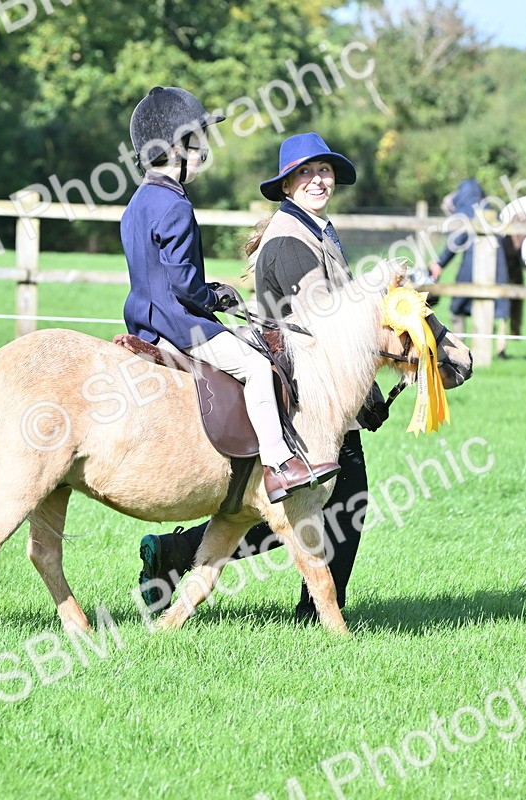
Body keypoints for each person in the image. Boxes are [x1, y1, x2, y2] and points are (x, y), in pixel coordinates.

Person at [137, 131, 384, 622]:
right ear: (287, 185)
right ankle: (314, 613)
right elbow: (325, 326)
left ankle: (177, 554)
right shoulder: (291, 240)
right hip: (307, 394)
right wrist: (366, 392)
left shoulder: (313, 228)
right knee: (336, 499)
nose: (318, 180)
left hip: (316, 389)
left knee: (311, 501)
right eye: (305, 173)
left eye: (324, 170)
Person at [122, 87, 341, 513]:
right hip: (180, 325)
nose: (203, 152)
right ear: (176, 147)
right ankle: (279, 464)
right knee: (257, 366)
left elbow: (155, 275)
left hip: (143, 321)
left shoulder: (138, 202)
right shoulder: (175, 206)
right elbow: (184, 286)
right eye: (197, 143)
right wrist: (214, 295)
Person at [428, 179, 510, 355]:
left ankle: (458, 346)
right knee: (500, 304)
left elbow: (456, 240)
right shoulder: (490, 208)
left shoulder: (465, 211)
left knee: (458, 304)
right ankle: (501, 345)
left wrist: (440, 262)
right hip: (499, 264)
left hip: (473, 263)